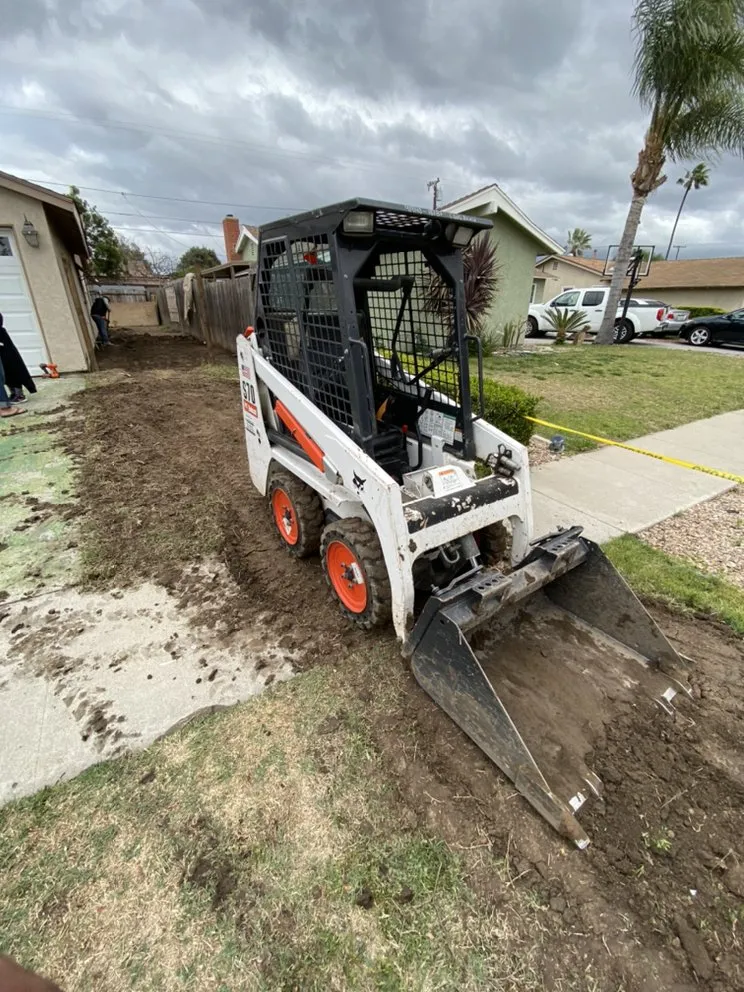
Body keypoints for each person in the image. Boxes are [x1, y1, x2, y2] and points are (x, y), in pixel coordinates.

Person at [0, 313, 38, 404]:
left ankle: (19, 395)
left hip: (5, 350)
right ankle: (13, 393)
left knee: (12, 369)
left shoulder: (1, 332)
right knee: (6, 374)